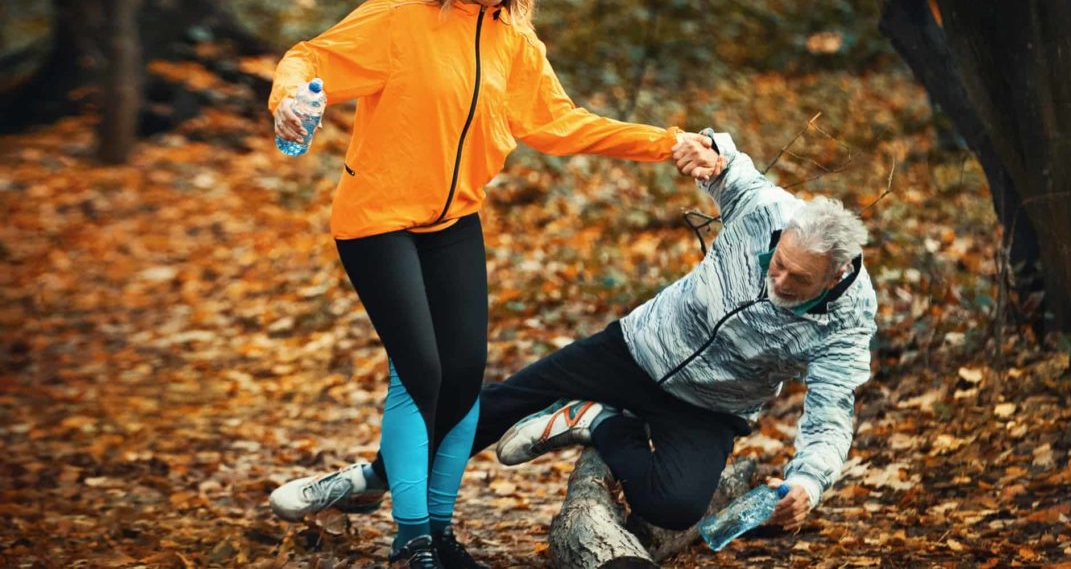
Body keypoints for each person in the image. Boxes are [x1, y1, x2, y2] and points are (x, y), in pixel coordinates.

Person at [265, 0, 710, 567]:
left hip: (452, 223)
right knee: (421, 371)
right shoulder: (397, 19)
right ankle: (412, 537)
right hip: (377, 221)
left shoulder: (514, 45)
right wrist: (289, 97)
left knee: (466, 376)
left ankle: (440, 530)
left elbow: (566, 123)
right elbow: (308, 56)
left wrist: (669, 141)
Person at [276, 128, 878, 550]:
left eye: (796, 281)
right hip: (638, 347)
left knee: (671, 508)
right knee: (487, 407)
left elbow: (831, 415)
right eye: (775, 263)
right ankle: (370, 478)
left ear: (834, 275)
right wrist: (709, 150)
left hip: (712, 407)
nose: (776, 278)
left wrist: (808, 482)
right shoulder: (767, 212)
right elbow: (729, 162)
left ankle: (601, 423)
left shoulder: (847, 323)